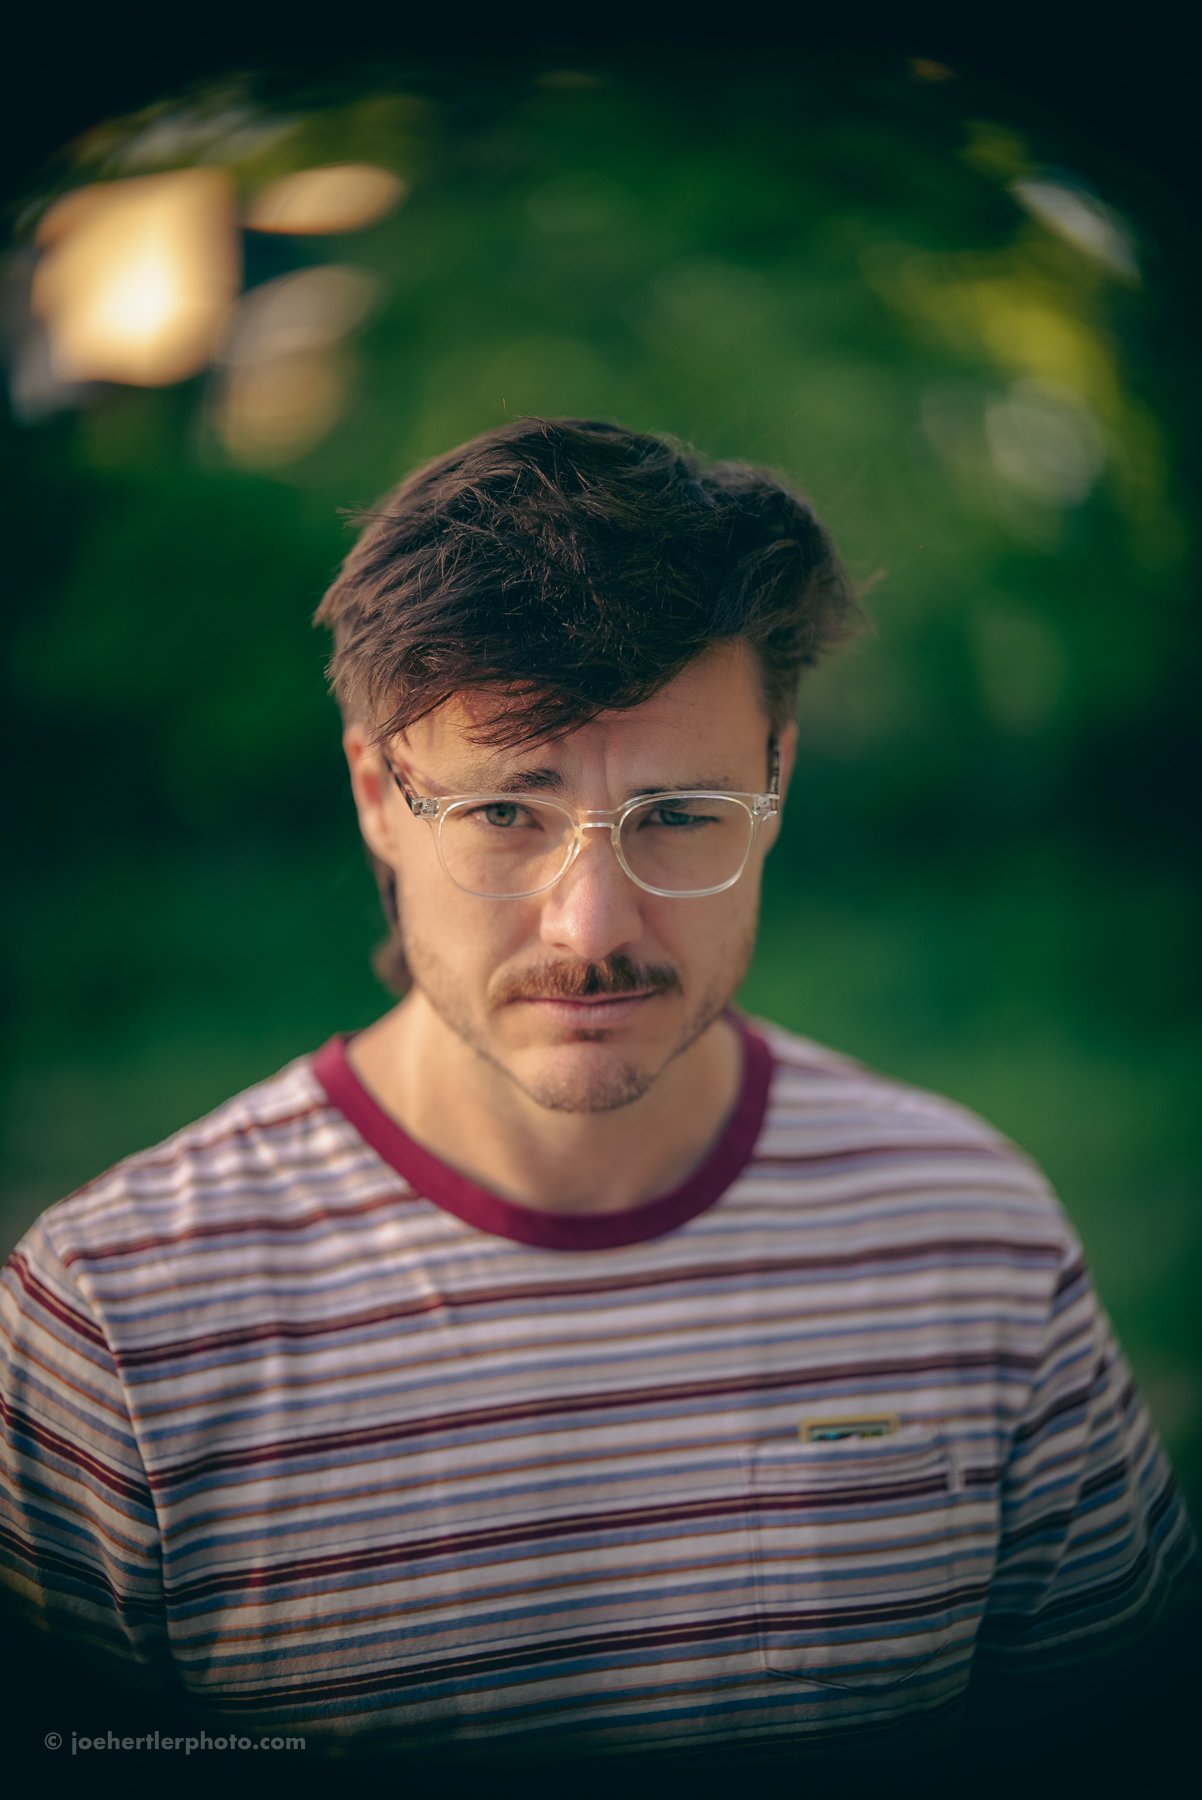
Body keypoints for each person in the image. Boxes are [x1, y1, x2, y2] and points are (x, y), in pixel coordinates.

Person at [0, 418, 1194, 1780]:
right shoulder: (114, 1318)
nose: (589, 926)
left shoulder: (973, 1237)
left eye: (679, 814)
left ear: (776, 780)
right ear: (380, 797)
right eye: (508, 810)